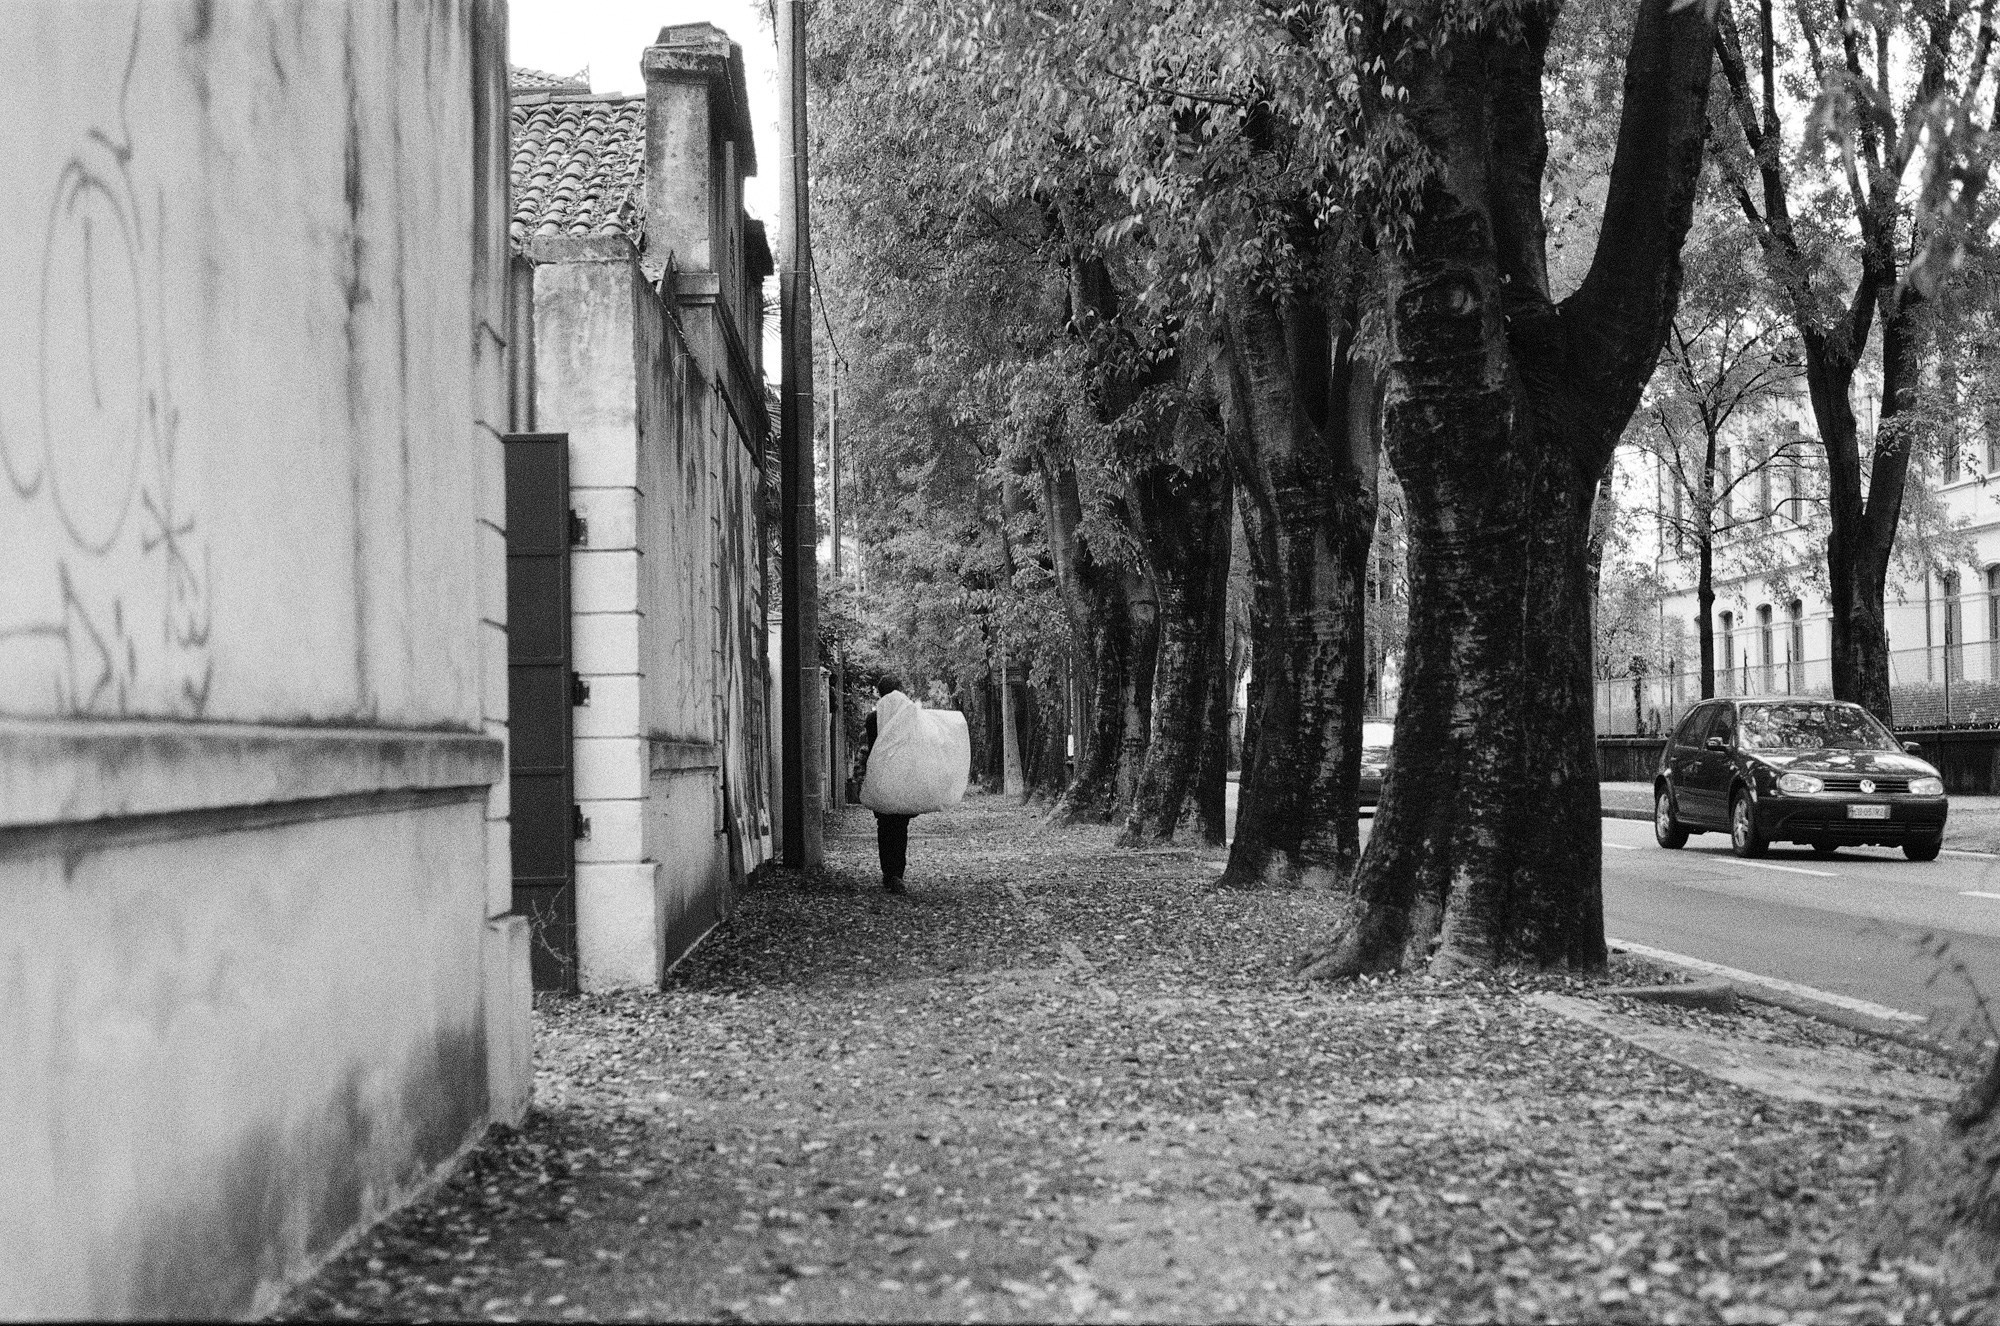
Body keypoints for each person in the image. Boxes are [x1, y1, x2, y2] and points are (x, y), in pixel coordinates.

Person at [856, 671, 914, 893]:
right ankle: (897, 872)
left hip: (880, 777)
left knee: (884, 824)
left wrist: (861, 776)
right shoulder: (909, 716)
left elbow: (865, 747)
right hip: (901, 777)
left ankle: (888, 872)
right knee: (900, 825)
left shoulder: (873, 719)